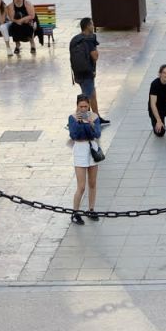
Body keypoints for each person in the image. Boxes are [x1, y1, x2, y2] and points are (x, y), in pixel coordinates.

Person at [67, 91, 102, 226]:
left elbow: (97, 133)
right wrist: (81, 123)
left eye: (85, 106)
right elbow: (74, 135)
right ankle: (75, 212)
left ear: (89, 106)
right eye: (80, 107)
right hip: (80, 150)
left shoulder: (94, 117)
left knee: (92, 183)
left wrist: (91, 124)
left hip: (92, 149)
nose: (83, 109)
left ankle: (91, 209)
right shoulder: (72, 118)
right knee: (81, 186)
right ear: (77, 106)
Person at [68, 17, 104, 124]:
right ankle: (74, 122)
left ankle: (97, 117)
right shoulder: (89, 39)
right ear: (88, 26)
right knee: (85, 101)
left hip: (78, 74)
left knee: (92, 95)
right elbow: (95, 56)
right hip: (87, 74)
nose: (93, 26)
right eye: (92, 24)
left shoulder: (75, 39)